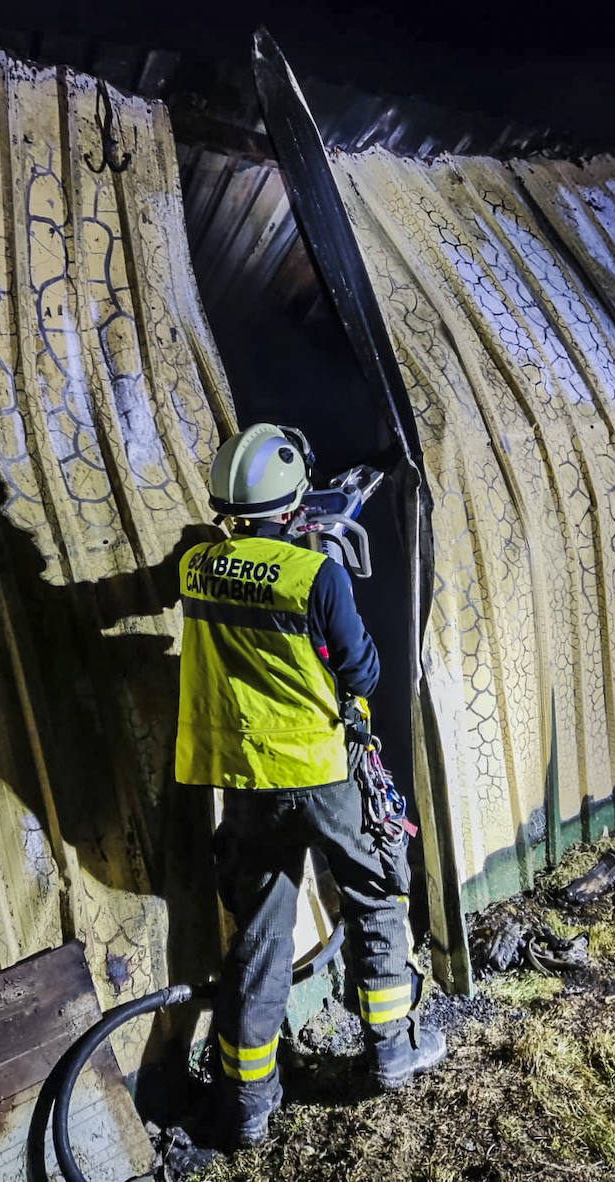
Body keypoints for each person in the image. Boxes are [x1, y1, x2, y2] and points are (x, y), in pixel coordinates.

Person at [175, 421, 447, 1148]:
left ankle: (246, 1105)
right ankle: (391, 1049)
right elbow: (362, 672)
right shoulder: (316, 574)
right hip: (321, 774)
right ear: (295, 503)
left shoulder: (197, 565)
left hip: (247, 783)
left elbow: (234, 570)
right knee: (374, 893)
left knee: (259, 937)